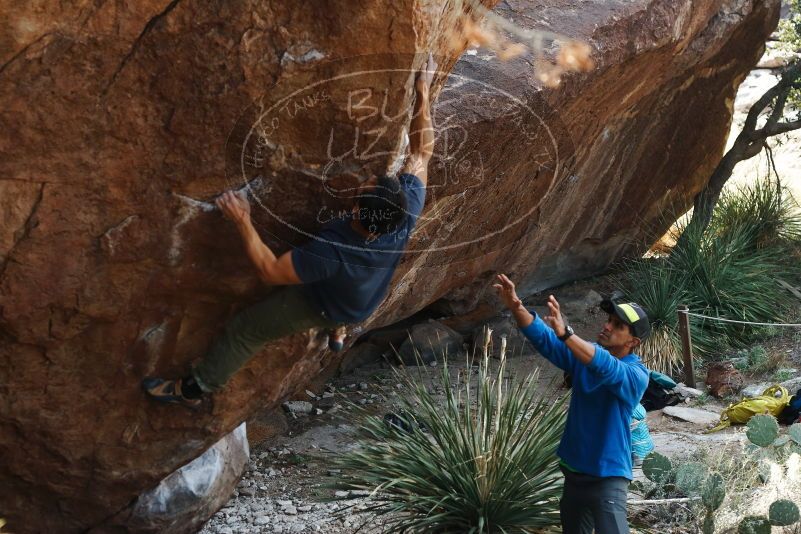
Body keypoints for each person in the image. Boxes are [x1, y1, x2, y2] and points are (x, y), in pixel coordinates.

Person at [143, 54, 438, 408]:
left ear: (359, 210)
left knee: (246, 329)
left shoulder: (331, 252)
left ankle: (197, 388)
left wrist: (243, 220)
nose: (362, 182)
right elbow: (421, 151)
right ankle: (339, 330)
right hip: (364, 294)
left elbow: (270, 271)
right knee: (345, 292)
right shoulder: (402, 214)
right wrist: (423, 90)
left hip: (328, 302)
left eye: (363, 189)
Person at [492, 274, 650, 534]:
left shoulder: (635, 375)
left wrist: (567, 333)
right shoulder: (584, 354)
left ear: (633, 342)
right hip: (574, 473)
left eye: (618, 325)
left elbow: (606, 367)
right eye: (609, 320)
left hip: (608, 478)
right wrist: (515, 306)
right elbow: (544, 337)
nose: (608, 326)